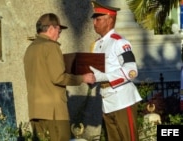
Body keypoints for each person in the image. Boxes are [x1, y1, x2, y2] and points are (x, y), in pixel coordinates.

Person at [23, 13, 96, 141]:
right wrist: (82, 78)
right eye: (59, 30)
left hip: (36, 111)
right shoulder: (51, 47)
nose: (60, 34)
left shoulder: (30, 49)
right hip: (54, 112)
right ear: (51, 28)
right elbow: (58, 77)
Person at [89, 1, 142, 141]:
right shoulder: (96, 45)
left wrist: (101, 77)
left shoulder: (119, 42)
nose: (94, 22)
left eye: (98, 19)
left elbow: (131, 71)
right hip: (107, 101)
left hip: (122, 99)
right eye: (94, 19)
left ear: (110, 19)